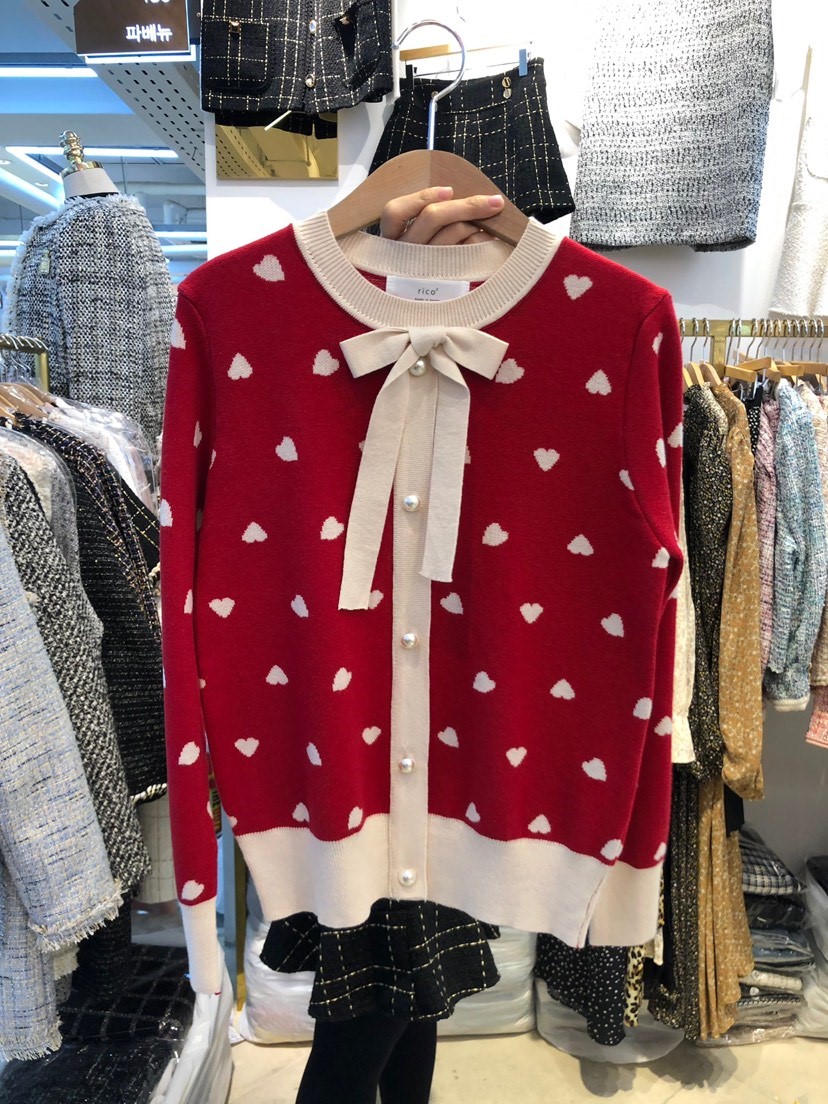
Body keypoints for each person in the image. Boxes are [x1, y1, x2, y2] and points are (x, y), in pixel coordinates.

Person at [293, 185, 507, 1104]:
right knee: (372, 1009)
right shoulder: (296, 332)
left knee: (409, 997)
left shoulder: (555, 336)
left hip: (445, 763)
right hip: (354, 762)